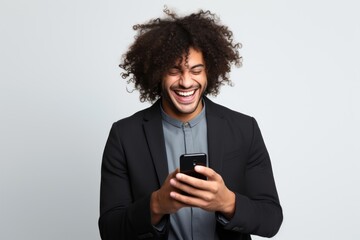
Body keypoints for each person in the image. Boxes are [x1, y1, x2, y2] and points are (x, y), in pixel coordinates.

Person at [99, 8, 283, 240]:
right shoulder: (124, 135)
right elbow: (109, 229)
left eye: (196, 70)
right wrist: (157, 204)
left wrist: (228, 203)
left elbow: (271, 220)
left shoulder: (244, 129)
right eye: (174, 71)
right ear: (157, 74)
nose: (186, 82)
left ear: (209, 73)